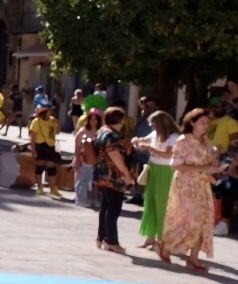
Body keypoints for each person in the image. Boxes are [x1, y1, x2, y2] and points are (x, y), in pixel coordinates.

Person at [164, 108, 221, 272]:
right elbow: (175, 165)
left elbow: (208, 164)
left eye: (207, 123)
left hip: (202, 185)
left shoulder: (205, 141)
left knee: (203, 220)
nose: (205, 126)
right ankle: (166, 247)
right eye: (202, 122)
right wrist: (204, 168)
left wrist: (215, 164)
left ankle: (193, 258)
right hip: (186, 186)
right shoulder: (184, 141)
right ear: (192, 123)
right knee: (187, 220)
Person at [134, 110, 179, 250]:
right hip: (154, 169)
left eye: (153, 124)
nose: (152, 127)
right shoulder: (155, 134)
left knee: (162, 205)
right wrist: (136, 141)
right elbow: (142, 140)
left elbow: (168, 154)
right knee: (150, 203)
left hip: (166, 172)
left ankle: (162, 239)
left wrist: (149, 148)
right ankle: (150, 237)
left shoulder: (174, 137)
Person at [94, 106, 135, 254]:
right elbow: (115, 155)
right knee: (114, 209)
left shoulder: (102, 131)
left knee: (105, 206)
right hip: (114, 175)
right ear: (120, 119)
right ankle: (111, 241)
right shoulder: (113, 135)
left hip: (103, 174)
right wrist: (127, 175)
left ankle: (101, 237)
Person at [28, 104, 64, 197]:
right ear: (44, 112)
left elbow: (58, 131)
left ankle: (53, 188)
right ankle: (39, 187)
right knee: (40, 165)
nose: (51, 112)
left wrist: (58, 123)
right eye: (49, 111)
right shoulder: (36, 121)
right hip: (40, 145)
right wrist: (33, 150)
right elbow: (32, 137)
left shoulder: (52, 120)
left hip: (50, 146)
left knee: (51, 166)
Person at [72, 110, 101, 206]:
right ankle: (80, 199)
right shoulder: (82, 131)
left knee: (95, 181)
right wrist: (77, 160)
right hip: (82, 159)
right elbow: (77, 146)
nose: (93, 121)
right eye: (91, 119)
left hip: (96, 160)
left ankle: (95, 199)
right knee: (82, 180)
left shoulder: (100, 132)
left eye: (95, 119)